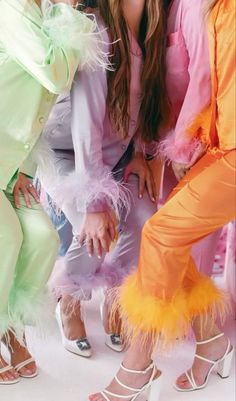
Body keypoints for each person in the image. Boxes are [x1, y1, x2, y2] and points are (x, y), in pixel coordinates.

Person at [89, 0, 236, 399]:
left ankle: (138, 367)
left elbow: (203, 79)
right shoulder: (204, 8)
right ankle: (212, 342)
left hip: (227, 151)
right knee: (169, 242)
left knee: (159, 235)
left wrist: (180, 151)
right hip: (221, 148)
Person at [41, 0, 167, 357]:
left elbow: (149, 100)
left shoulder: (154, 26)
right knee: (95, 231)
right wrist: (94, 203)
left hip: (120, 153)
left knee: (145, 220)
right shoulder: (95, 28)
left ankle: (115, 294)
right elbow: (86, 122)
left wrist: (141, 152)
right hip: (69, 153)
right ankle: (70, 299)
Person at [0, 0, 107, 384]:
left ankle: (12, 329)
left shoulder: (49, 15)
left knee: (44, 238)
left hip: (13, 165)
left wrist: (27, 169)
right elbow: (55, 78)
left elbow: (40, 110)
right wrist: (68, 12)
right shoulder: (12, 8)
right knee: (7, 237)